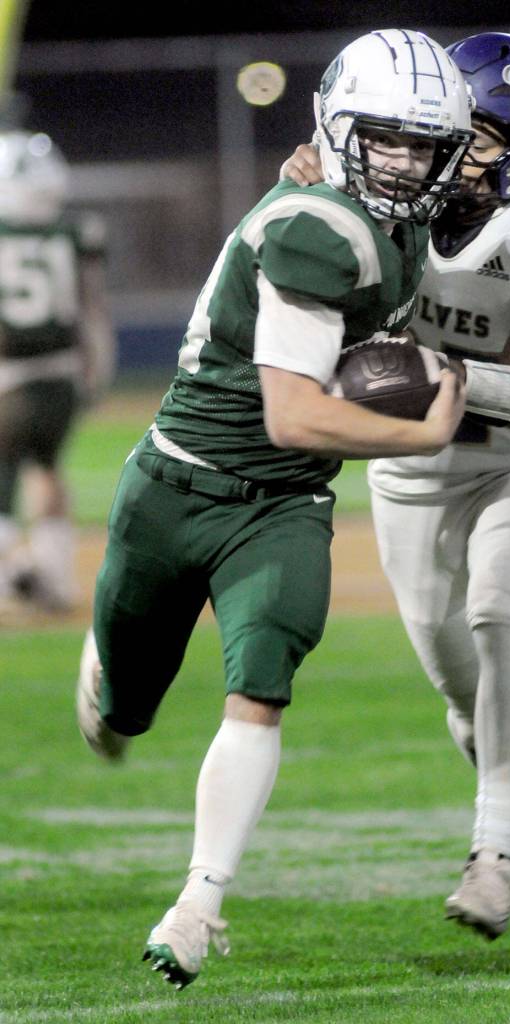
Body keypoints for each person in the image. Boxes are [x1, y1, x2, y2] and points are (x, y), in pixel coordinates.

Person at [75, 28, 472, 989]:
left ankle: (197, 906)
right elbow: (295, 416)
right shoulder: (311, 227)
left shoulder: (397, 220)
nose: (402, 162)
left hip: (283, 507)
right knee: (120, 715)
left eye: (422, 145)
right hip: (175, 488)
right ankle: (106, 672)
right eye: (382, 139)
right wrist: (422, 430)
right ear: (338, 129)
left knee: (261, 688)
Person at [282, 31, 510, 940]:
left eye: (475, 138)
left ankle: (491, 857)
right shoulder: (373, 198)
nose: (444, 152)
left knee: (501, 614)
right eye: (446, 130)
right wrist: (304, 201)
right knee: (458, 692)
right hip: (408, 481)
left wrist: (424, 369)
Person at [0, 126, 114, 613]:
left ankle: (12, 578)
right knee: (47, 471)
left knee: (4, 480)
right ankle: (54, 579)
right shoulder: (75, 232)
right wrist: (97, 373)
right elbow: (94, 313)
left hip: (8, 376)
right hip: (62, 374)